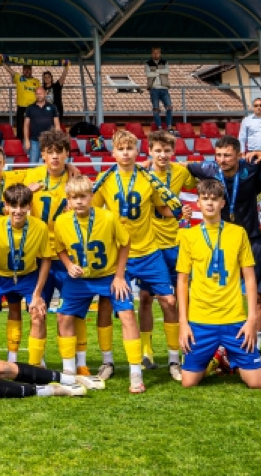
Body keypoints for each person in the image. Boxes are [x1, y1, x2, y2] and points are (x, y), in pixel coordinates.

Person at [91, 129, 183, 380]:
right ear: (113, 153)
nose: (126, 153)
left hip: (149, 250)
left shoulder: (148, 178)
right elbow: (94, 212)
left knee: (169, 301)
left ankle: (174, 360)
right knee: (109, 305)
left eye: (130, 148)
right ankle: (108, 361)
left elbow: (161, 207)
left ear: (137, 151)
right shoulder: (105, 178)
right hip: (118, 254)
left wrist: (176, 211)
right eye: (121, 149)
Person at [55, 176, 145, 393]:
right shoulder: (62, 222)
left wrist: (120, 275)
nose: (79, 202)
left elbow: (125, 243)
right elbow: (59, 248)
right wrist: (68, 265)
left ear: (92, 197)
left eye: (83, 197)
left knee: (127, 316)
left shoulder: (107, 217)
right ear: (68, 200)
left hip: (109, 276)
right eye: (74, 198)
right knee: (63, 317)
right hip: (80, 279)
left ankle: (135, 372)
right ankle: (68, 371)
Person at [178, 179, 261, 388]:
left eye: (215, 199)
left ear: (223, 203)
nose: (210, 203)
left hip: (234, 319)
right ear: (198, 202)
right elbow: (182, 281)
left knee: (256, 382)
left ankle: (227, 355)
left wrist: (251, 320)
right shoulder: (189, 236)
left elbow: (250, 278)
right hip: (200, 320)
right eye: (205, 199)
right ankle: (215, 357)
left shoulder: (238, 233)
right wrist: (183, 324)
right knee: (188, 383)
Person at [22, 129, 90, 372]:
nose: (54, 157)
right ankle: (35, 364)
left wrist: (74, 169)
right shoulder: (31, 175)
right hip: (39, 256)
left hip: (66, 256)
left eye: (59, 152)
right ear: (42, 155)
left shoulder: (75, 179)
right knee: (37, 311)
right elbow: (2, 189)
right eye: (50, 152)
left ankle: (79, 364)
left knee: (74, 311)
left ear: (66, 154)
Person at [187, 135, 261, 349]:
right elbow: (182, 167)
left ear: (239, 155)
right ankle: (219, 346)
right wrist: (147, 163)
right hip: (219, 242)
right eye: (218, 155)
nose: (222, 159)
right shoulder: (208, 170)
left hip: (250, 237)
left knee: (256, 294)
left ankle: (255, 344)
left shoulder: (252, 168)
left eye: (227, 155)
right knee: (220, 290)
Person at [138, 130, 198, 369]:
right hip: (149, 243)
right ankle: (146, 351)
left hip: (175, 241)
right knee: (144, 298)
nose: (162, 155)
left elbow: (201, 179)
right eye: (157, 151)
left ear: (172, 152)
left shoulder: (180, 172)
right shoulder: (141, 174)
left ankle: (181, 350)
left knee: (179, 298)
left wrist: (190, 163)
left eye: (166, 151)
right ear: (150, 151)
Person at [0, 184, 52, 367]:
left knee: (38, 313)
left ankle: (35, 367)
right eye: (13, 205)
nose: (18, 210)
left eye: (23, 205)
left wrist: (37, 295)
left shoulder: (40, 227)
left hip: (28, 275)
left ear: (29, 206)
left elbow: (46, 260)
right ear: (6, 206)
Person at [1, 60, 39, 140]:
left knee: (34, 126)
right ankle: (20, 144)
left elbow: (39, 94)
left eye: (29, 69)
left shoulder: (36, 81)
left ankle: (34, 141)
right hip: (21, 107)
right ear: (23, 70)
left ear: (31, 70)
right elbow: (10, 71)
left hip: (33, 107)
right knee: (20, 127)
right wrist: (3, 63)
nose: (27, 71)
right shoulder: (19, 78)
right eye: (25, 69)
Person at [23, 86, 60, 163]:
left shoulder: (52, 107)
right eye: (37, 94)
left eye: (41, 93)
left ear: (45, 94)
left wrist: (57, 139)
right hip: (34, 141)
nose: (39, 95)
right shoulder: (30, 108)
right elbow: (26, 125)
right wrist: (26, 140)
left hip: (49, 141)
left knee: (50, 164)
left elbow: (57, 125)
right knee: (33, 165)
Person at [145, 46, 174, 131]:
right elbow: (148, 74)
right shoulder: (148, 63)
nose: (156, 54)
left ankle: (169, 126)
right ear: (152, 53)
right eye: (154, 52)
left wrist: (155, 71)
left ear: (160, 53)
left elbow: (167, 71)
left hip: (164, 88)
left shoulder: (165, 62)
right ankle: (159, 127)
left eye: (157, 52)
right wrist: (160, 72)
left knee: (169, 107)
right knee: (156, 109)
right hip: (154, 88)